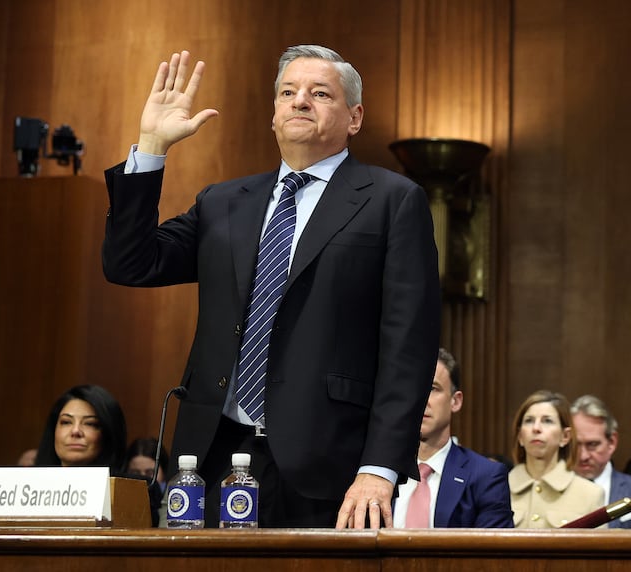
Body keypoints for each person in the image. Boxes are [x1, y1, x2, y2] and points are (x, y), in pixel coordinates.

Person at [102, 45, 440, 528]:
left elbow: (410, 346)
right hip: (213, 456)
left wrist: (379, 468)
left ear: (355, 117)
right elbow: (131, 263)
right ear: (274, 114)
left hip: (333, 465)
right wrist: (152, 147)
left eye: (319, 93)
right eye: (287, 92)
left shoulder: (392, 201)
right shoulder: (224, 202)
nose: (299, 101)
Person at [393, 348, 513, 528]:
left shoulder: (486, 476)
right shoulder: (378, 472)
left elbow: (494, 546)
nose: (420, 399)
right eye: (412, 389)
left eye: (432, 388)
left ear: (455, 401)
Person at [508, 390, 604, 528]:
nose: (536, 428)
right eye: (529, 421)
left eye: (547, 421)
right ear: (520, 437)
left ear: (565, 436)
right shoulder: (496, 489)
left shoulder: (590, 494)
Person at [34, 384, 127, 473]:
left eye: (89, 424)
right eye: (66, 422)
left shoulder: (127, 484)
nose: (75, 431)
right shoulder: (29, 481)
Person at [570, 394, 631, 528]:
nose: (583, 456)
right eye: (575, 445)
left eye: (592, 444)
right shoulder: (551, 493)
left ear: (612, 442)